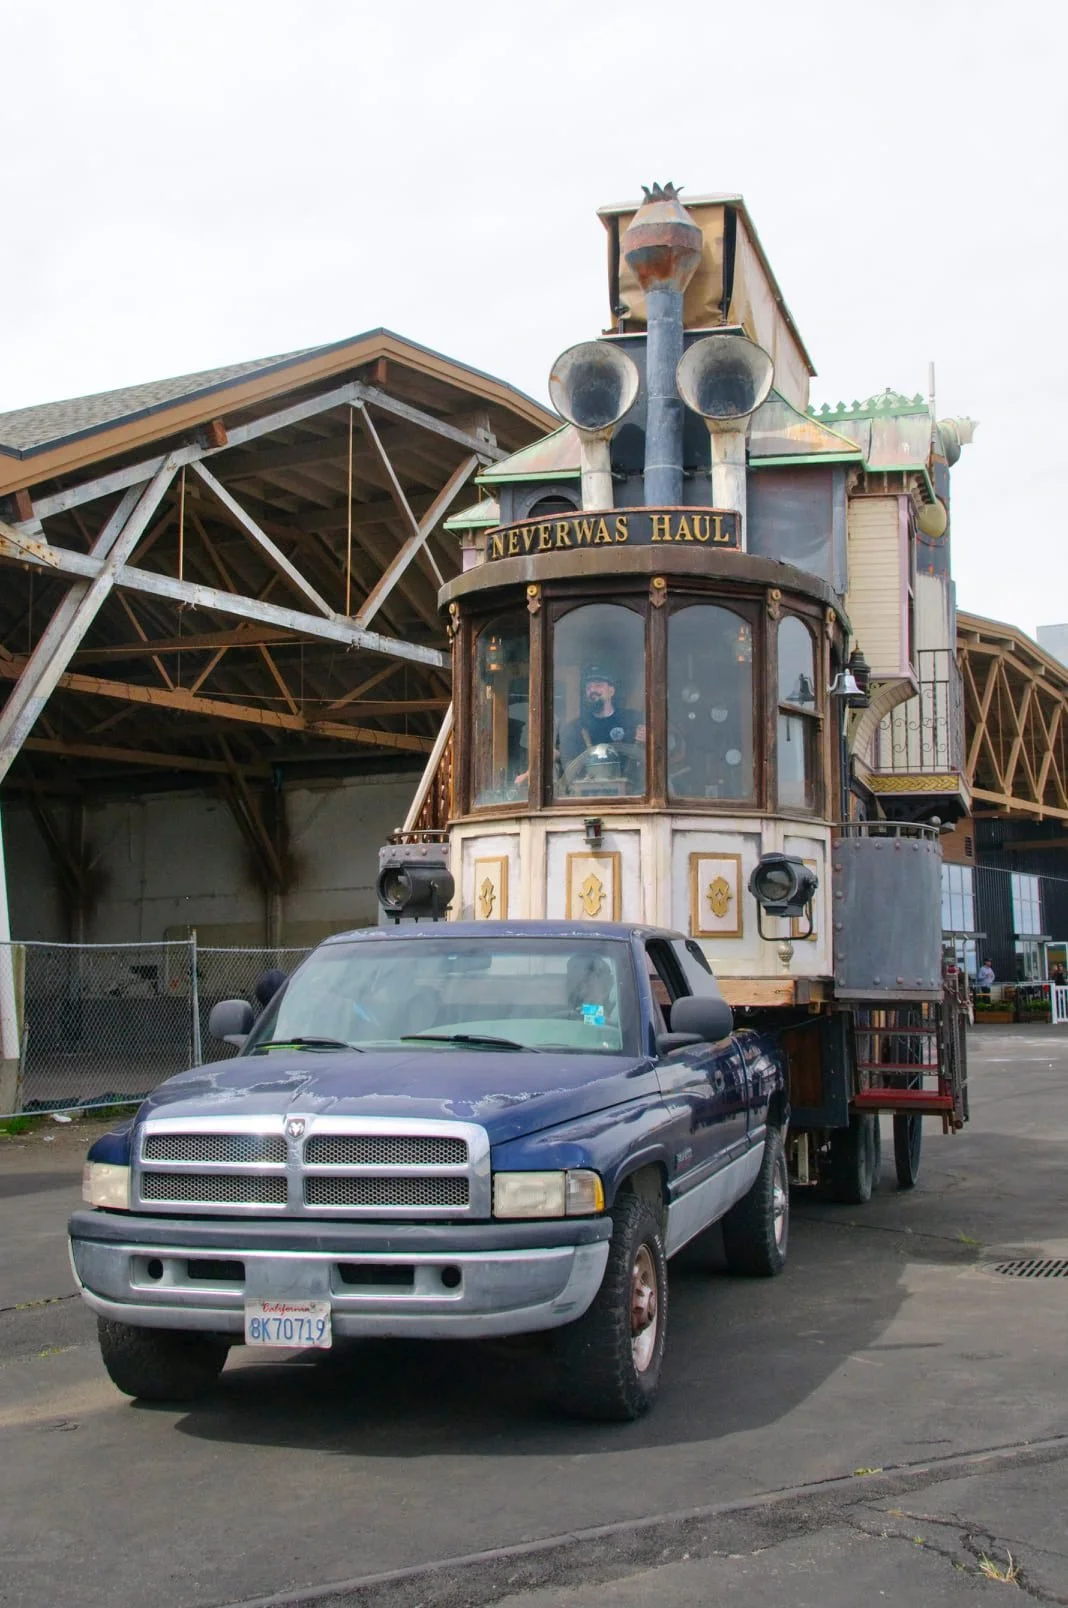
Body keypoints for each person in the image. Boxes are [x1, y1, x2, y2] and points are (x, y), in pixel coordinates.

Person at [559, 666, 646, 773]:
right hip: (589, 787)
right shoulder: (577, 727)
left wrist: (647, 740)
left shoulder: (631, 720)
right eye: (588, 687)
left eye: (598, 685)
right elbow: (569, 766)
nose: (592, 690)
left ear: (611, 691)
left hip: (631, 788)